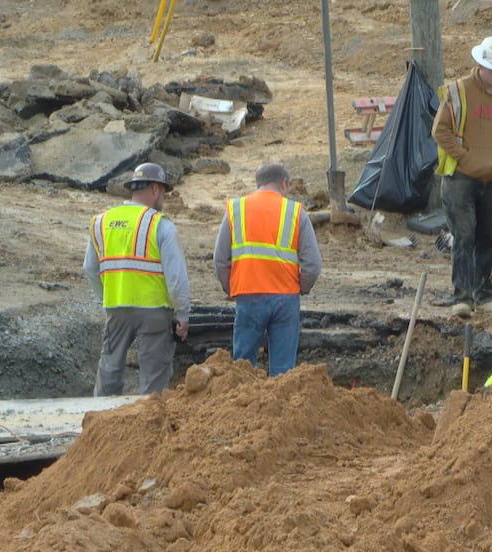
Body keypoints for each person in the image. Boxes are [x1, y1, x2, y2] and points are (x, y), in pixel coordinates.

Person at [431, 34, 492, 318]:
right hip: (460, 178)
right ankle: (463, 296)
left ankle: (485, 295)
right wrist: (463, 157)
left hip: (491, 178)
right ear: (480, 65)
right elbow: (440, 131)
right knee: (464, 235)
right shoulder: (458, 91)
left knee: (490, 237)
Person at [84, 162, 190, 396]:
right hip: (154, 312)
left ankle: (100, 422)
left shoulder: (101, 221)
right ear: (155, 190)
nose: (163, 198)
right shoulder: (160, 224)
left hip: (116, 310)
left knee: (109, 369)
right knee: (154, 381)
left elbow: (90, 269)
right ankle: (149, 428)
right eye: (163, 192)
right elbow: (176, 278)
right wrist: (182, 314)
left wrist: (108, 298)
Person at [213, 162, 321, 376]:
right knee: (282, 373)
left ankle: (242, 407)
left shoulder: (236, 209)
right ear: (284, 183)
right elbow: (313, 264)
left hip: (248, 293)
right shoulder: (296, 211)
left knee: (243, 369)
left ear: (258, 184)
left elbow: (220, 260)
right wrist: (301, 288)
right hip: (285, 297)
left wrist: (231, 288)